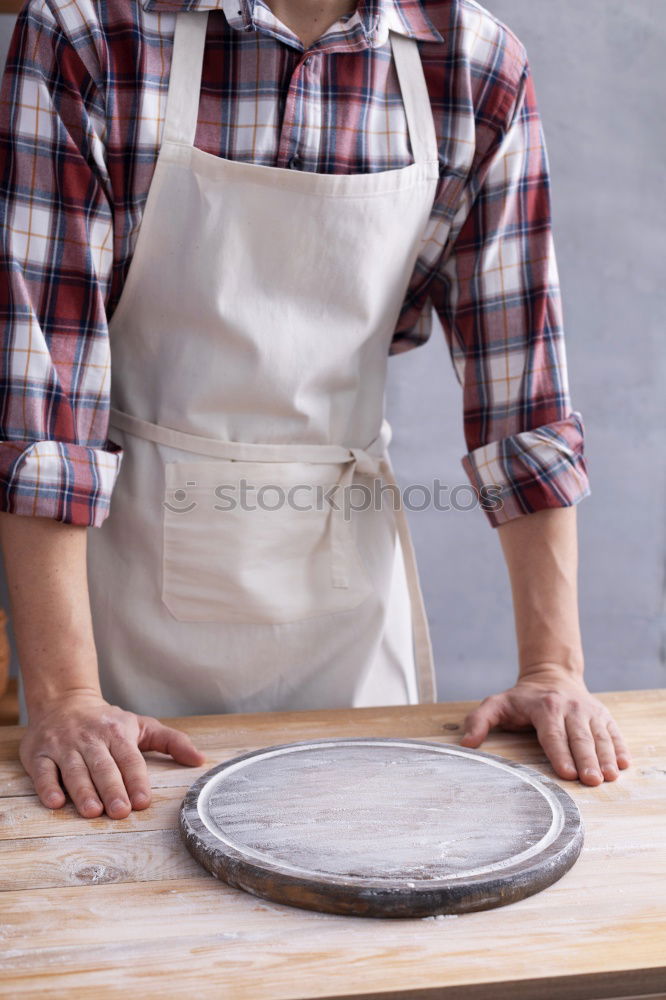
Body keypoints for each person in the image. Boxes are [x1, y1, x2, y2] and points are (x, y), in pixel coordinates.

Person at [0, 0, 630, 820]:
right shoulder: (89, 35)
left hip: (347, 606)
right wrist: (66, 695)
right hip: (119, 612)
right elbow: (39, 403)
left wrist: (554, 671)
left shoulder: (472, 64)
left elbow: (524, 395)